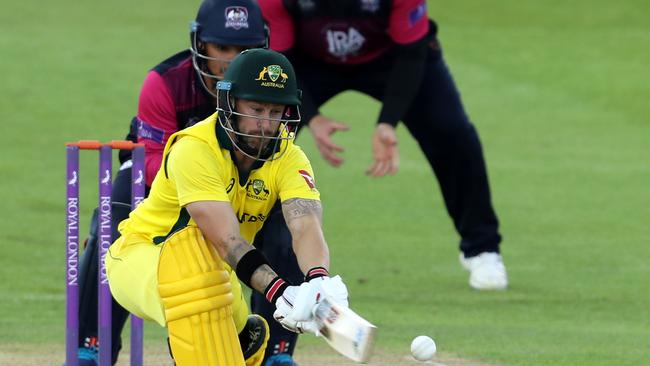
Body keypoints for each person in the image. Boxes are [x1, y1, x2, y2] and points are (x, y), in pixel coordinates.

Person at [250, 1, 510, 364]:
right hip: (306, 64)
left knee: (453, 134)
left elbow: (411, 52)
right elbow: (280, 57)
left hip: (393, 58)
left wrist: (389, 121)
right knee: (256, 129)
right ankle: (246, 238)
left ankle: (482, 248)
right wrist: (311, 117)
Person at [105, 48, 348, 366]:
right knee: (192, 266)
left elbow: (304, 223)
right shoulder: (194, 148)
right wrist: (280, 292)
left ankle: (242, 339)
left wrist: (318, 281)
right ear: (229, 104)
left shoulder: (288, 155)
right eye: (256, 109)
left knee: (214, 295)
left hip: (220, 275)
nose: (265, 124)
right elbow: (226, 240)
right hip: (142, 259)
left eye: (275, 113)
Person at [70, 1, 276, 364]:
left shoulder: (269, 90)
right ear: (200, 44)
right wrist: (199, 180)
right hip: (153, 179)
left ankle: (273, 350)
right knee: (109, 227)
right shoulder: (165, 81)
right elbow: (149, 156)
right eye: (222, 48)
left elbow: (275, 159)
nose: (232, 60)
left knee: (281, 231)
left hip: (234, 185)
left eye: (245, 49)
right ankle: (92, 347)